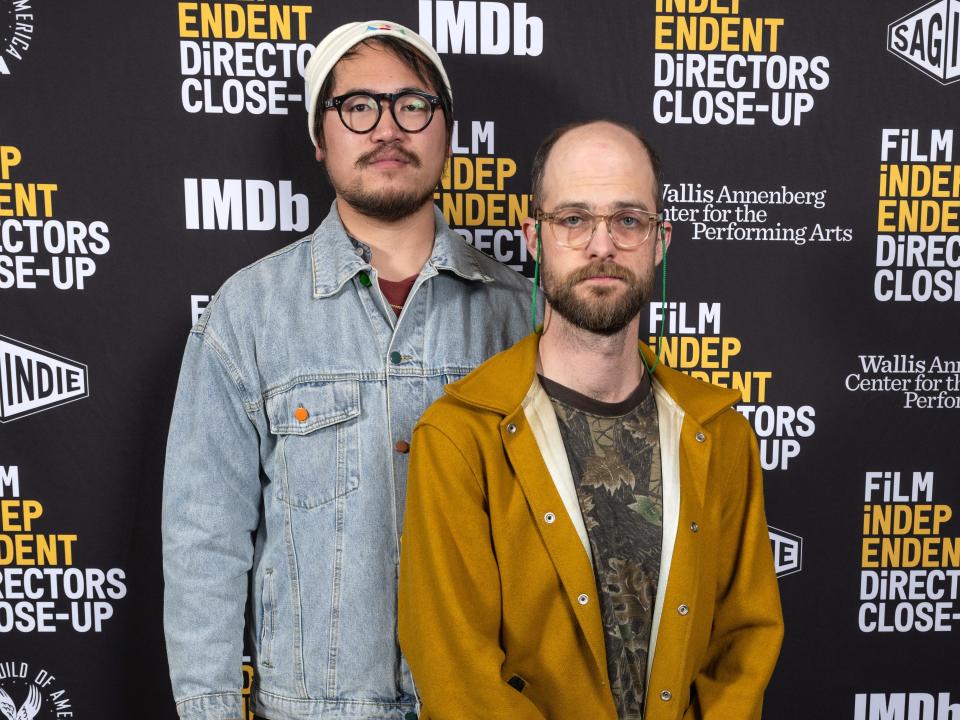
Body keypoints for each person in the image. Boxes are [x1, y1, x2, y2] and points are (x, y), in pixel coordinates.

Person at [162, 20, 531, 720]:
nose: (387, 128)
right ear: (318, 135)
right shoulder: (247, 315)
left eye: (413, 105)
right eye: (358, 106)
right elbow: (202, 541)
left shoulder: (521, 317)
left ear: (445, 131)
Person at [398, 120, 783, 720]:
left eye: (628, 220)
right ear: (534, 236)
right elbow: (459, 677)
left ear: (660, 240)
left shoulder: (718, 432)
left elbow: (746, 639)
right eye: (573, 219)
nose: (602, 245)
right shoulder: (460, 437)